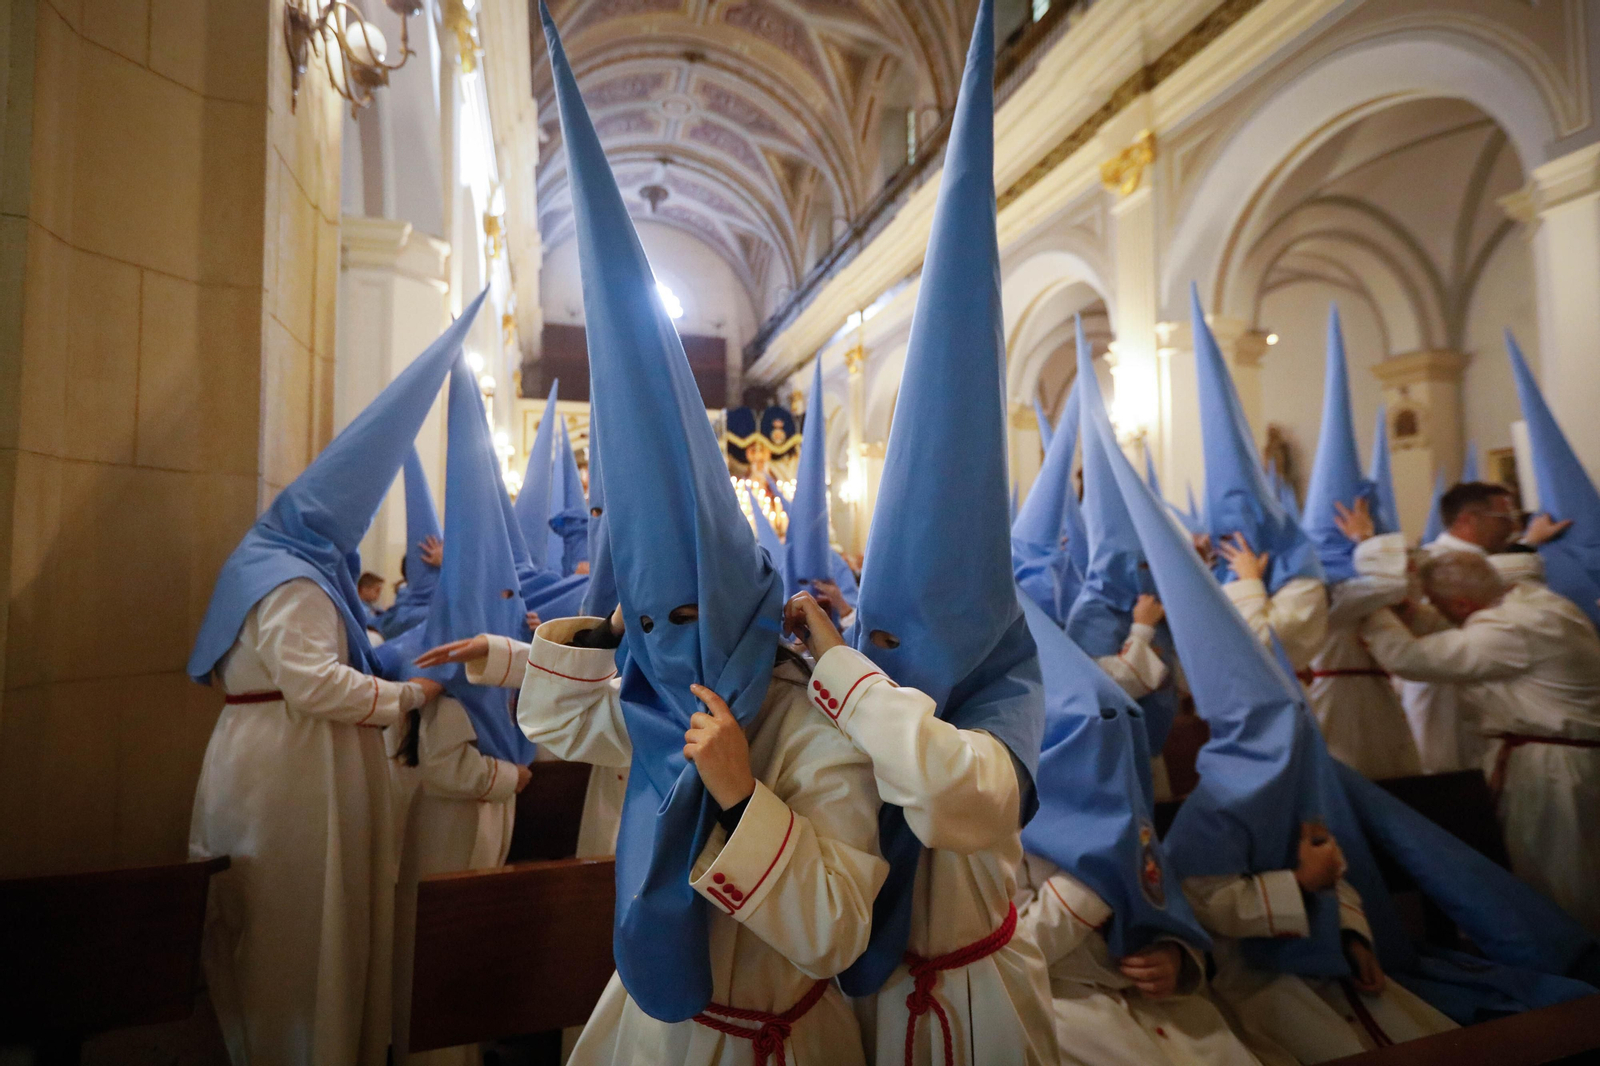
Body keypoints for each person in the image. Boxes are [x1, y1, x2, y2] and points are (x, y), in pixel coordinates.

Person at [425, 14, 892, 1064]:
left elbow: (842, 926)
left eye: (682, 617)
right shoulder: (652, 698)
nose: (663, 643)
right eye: (648, 621)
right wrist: (551, 640)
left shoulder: (810, 727)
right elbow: (560, 717)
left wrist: (738, 790)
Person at [810, 6, 1054, 1062]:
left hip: (978, 1003)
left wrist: (847, 674)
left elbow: (958, 791)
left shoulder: (1006, 693)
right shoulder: (856, 668)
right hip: (868, 999)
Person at [186, 293, 486, 1066]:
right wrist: (410, 696)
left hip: (287, 760)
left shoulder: (276, 565)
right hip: (289, 775)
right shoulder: (295, 583)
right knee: (298, 936)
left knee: (305, 930)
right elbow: (315, 685)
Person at [1015, 591, 1267, 1066]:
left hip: (1160, 1008)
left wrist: (1176, 960)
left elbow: (1162, 901)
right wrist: (1094, 884)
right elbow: (999, 954)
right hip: (1063, 1009)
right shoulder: (992, 821)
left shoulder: (1115, 811)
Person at [387, 360, 544, 1065]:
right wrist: (510, 780)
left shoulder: (488, 677)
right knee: (444, 939)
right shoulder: (447, 683)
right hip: (457, 825)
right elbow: (449, 768)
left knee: (472, 935)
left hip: (488, 823)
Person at [1360, 551, 1600, 933]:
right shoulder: (1537, 604)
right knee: (1580, 873)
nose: (1435, 611)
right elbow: (1467, 629)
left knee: (1555, 879)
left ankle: (1577, 977)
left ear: (1461, 603)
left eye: (1438, 605)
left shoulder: (1509, 629)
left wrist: (1371, 610)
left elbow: (1411, 659)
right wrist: (1415, 615)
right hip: (1572, 760)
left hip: (1552, 770)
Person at [1295, 307, 1420, 779]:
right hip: (1339, 704)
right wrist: (1367, 542)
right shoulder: (1324, 592)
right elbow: (1387, 584)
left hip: (1372, 696)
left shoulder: (1352, 586)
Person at [1191, 287, 1328, 671]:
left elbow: (1264, 650)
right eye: (1223, 536)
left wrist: (1249, 584)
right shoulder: (1218, 571)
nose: (1232, 545)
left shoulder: (1302, 583)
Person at [1402, 481, 1566, 772]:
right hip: (1446, 692)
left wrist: (1528, 544)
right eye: (1504, 518)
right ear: (1468, 520)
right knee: (1451, 777)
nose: (1513, 526)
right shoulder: (1432, 563)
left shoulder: (1494, 560)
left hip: (1501, 698)